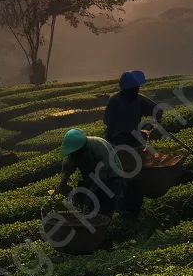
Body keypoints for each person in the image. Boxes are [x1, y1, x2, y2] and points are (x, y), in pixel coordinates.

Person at [104, 71, 164, 215]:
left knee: (134, 175)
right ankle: (123, 204)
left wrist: (152, 128)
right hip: (119, 142)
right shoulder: (116, 101)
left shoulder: (138, 100)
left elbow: (158, 111)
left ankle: (132, 205)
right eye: (135, 88)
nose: (137, 90)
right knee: (121, 175)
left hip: (134, 142)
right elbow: (108, 123)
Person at [57, 129, 127, 219]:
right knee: (84, 199)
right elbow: (69, 166)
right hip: (92, 178)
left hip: (111, 177)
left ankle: (105, 220)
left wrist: (89, 197)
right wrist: (62, 185)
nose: (75, 154)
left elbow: (102, 176)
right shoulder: (75, 152)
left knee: (105, 207)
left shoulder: (99, 146)